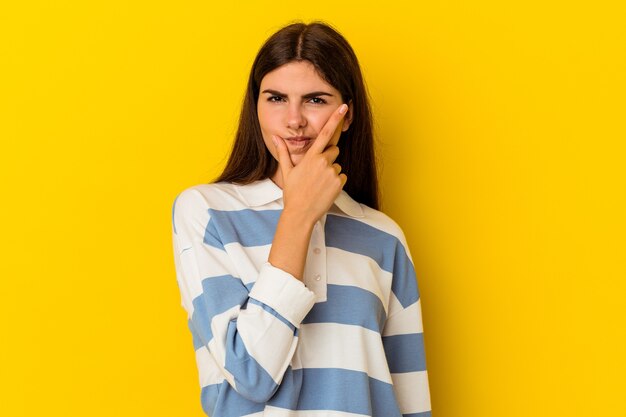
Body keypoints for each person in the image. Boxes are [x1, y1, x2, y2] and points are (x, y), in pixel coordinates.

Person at [171, 21, 432, 417]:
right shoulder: (207, 214)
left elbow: (411, 400)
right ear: (255, 108)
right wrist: (298, 214)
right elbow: (251, 374)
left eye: (315, 100)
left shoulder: (383, 237)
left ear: (346, 116)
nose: (294, 120)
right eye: (275, 98)